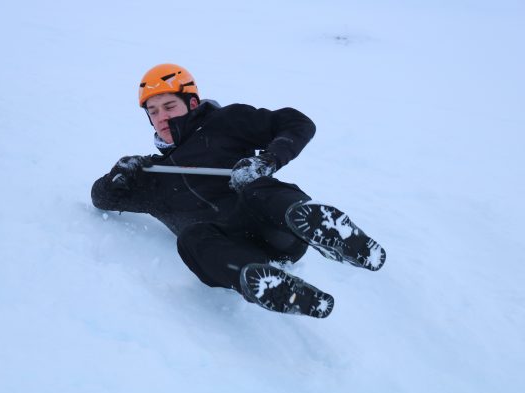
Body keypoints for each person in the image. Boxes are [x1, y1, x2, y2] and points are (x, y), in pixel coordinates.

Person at [91, 63, 385, 318]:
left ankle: (317, 224)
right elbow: (101, 199)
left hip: (277, 228)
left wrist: (267, 160)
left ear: (192, 103)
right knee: (191, 238)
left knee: (253, 188)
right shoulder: (154, 176)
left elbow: (297, 123)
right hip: (232, 251)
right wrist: (116, 175)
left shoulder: (225, 122)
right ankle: (264, 283)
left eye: (169, 106)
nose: (162, 117)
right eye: (153, 112)